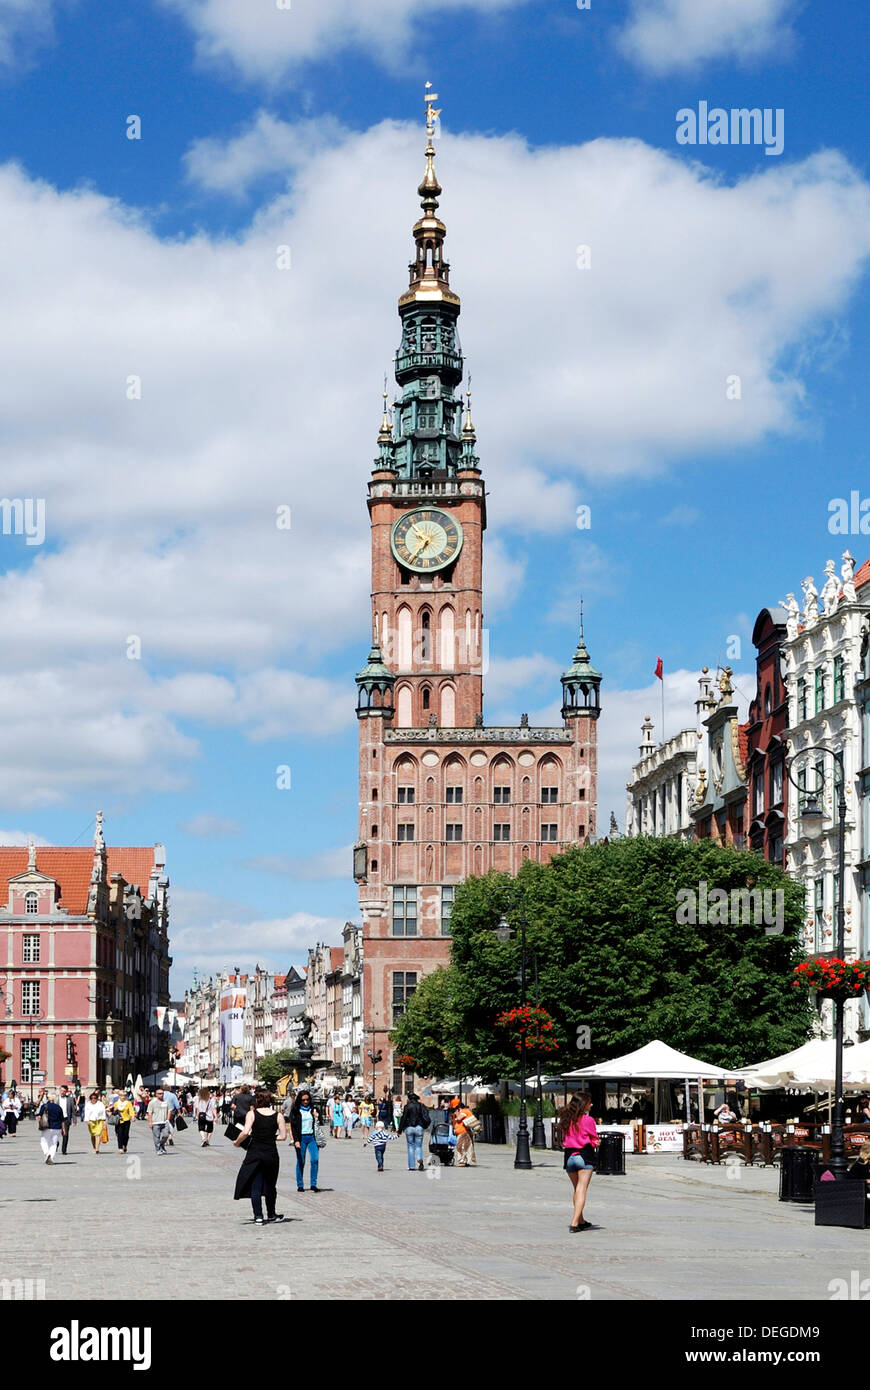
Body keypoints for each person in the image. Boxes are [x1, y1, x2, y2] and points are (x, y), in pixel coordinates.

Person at [233, 1087, 287, 1225]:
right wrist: (270, 1137)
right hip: (271, 1154)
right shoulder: (278, 1116)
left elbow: (245, 1132)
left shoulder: (252, 1114)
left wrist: (237, 1142)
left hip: (255, 1153)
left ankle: (258, 1216)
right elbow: (283, 1136)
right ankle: (272, 1214)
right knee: (270, 1185)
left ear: (258, 1100)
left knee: (256, 1185)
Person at [560, 1091, 599, 1232]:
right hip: (584, 1155)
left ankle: (581, 1220)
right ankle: (574, 1223)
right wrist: (596, 1143)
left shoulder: (566, 1119)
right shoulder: (588, 1120)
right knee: (582, 1189)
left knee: (576, 1190)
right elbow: (594, 1139)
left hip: (569, 1156)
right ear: (584, 1105)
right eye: (589, 1102)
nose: (591, 1104)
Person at [289, 1089, 325, 1192]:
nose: (306, 1102)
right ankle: (300, 1185)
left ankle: (313, 1184)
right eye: (303, 1100)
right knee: (301, 1161)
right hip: (301, 1138)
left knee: (315, 1160)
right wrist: (295, 1140)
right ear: (299, 1100)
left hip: (312, 1138)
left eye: (307, 1099)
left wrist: (317, 1117)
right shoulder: (295, 1111)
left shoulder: (313, 1109)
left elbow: (320, 1123)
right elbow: (293, 1127)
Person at [398, 1093, 429, 1171]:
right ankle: (419, 1158)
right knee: (418, 1146)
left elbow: (403, 1118)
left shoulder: (407, 1106)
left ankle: (411, 1166)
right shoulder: (421, 1105)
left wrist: (400, 1130)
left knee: (410, 1146)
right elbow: (426, 1116)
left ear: (409, 1099)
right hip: (419, 1127)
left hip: (409, 1127)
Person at [36, 1088, 65, 1164]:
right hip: (57, 1127)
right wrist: (63, 1129)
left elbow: (39, 1116)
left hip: (47, 1127)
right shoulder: (59, 1107)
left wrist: (39, 1122)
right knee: (54, 1143)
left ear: (49, 1098)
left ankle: (47, 1153)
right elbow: (62, 1119)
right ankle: (51, 1158)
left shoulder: (45, 1106)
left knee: (43, 1141)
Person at [450, 1097, 477, 1167]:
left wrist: (455, 1117)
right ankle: (466, 1161)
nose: (455, 1111)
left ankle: (462, 1161)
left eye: (456, 1109)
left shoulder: (464, 1111)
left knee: (460, 1146)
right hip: (465, 1132)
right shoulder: (466, 1111)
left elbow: (459, 1119)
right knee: (466, 1147)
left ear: (459, 1108)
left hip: (463, 1132)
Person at [147, 1087, 172, 1155]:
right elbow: (149, 1113)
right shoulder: (152, 1102)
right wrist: (150, 1122)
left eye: (162, 1093)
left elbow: (169, 1111)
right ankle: (158, 1149)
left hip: (164, 1122)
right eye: (159, 1093)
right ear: (156, 1094)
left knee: (166, 1135)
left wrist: (167, 1119)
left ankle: (161, 1145)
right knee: (156, 1136)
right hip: (155, 1122)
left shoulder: (166, 1102)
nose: (161, 1095)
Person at [84, 1090, 108, 1155]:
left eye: (95, 1098)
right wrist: (87, 1120)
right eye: (92, 1098)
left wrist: (104, 1121)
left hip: (99, 1121)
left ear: (97, 1098)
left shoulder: (100, 1104)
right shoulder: (88, 1105)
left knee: (98, 1135)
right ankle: (94, 1147)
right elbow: (86, 1113)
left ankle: (97, 1149)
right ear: (90, 1098)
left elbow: (103, 1112)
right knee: (93, 1135)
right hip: (91, 1121)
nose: (93, 1099)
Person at [58, 1086, 76, 1155]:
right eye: (61, 1090)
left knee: (65, 1135)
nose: (62, 1092)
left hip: (66, 1119)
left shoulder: (70, 1099)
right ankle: (56, 1144)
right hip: (57, 1119)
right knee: (56, 1134)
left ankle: (64, 1150)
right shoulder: (56, 1098)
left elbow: (73, 1111)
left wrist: (74, 1120)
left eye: (64, 1091)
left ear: (66, 1092)